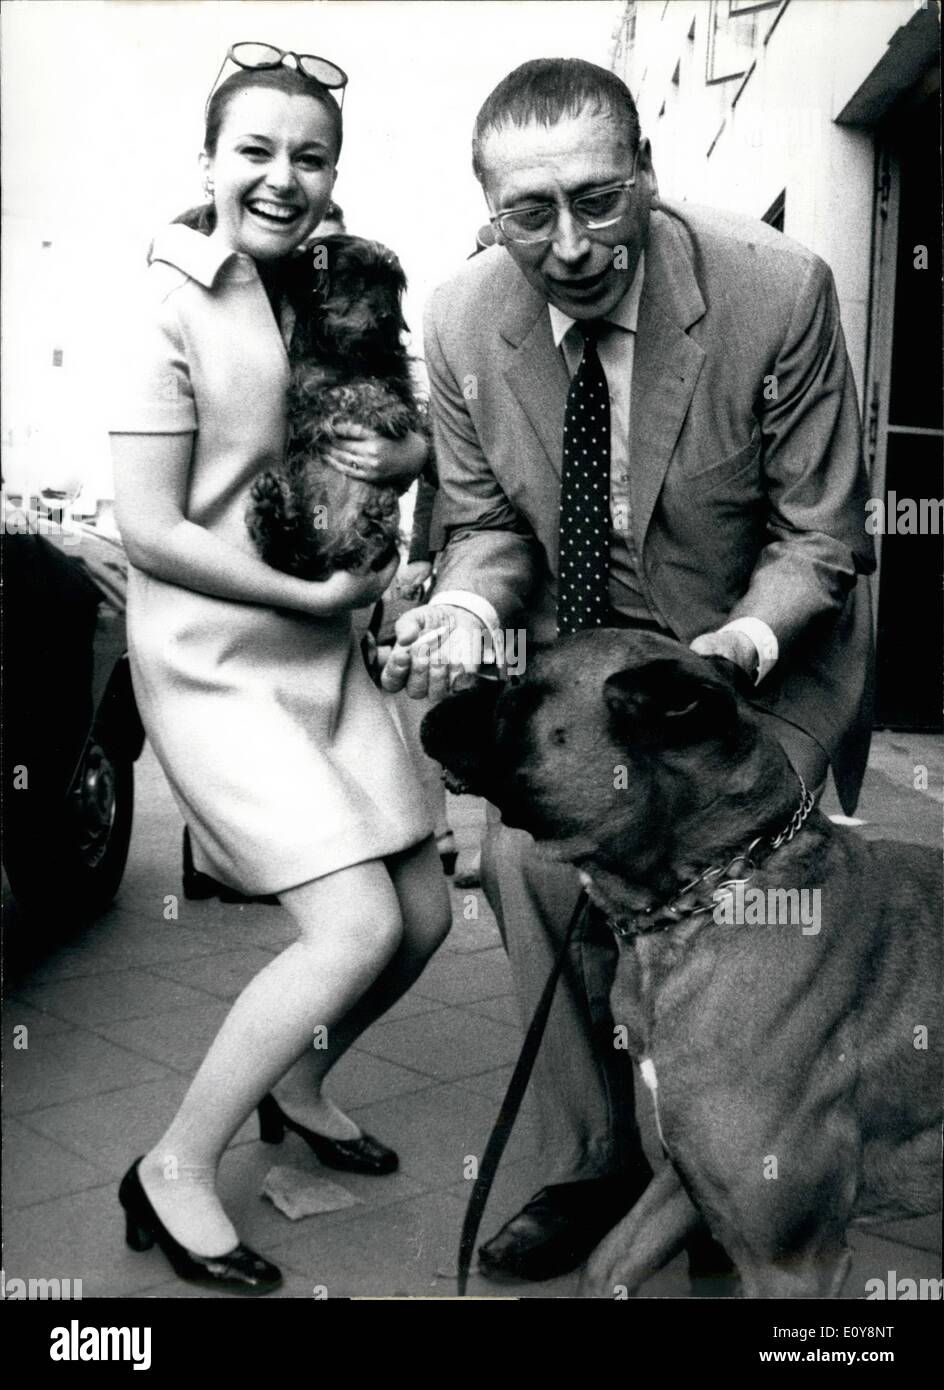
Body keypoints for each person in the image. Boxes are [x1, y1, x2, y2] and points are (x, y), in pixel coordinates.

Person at [383, 57, 875, 1283]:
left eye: (598, 200)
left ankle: (749, 1154)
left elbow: (818, 537)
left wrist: (736, 649)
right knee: (533, 863)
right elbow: (488, 527)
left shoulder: (775, 291)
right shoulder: (455, 321)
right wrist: (455, 604)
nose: (567, 242)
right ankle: (604, 1157)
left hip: (754, 671)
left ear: (647, 173)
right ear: (488, 210)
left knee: (739, 903)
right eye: (527, 213)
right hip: (589, 679)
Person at [109, 50, 451, 1294]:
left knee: (422, 915)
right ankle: (174, 1166)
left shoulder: (338, 285)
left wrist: (400, 456)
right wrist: (310, 594)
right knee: (352, 922)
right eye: (255, 150)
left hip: (323, 651)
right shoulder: (167, 301)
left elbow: (392, 427)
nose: (281, 177)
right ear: (208, 161)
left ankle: (297, 1077)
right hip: (213, 660)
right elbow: (151, 528)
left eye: (309, 155)